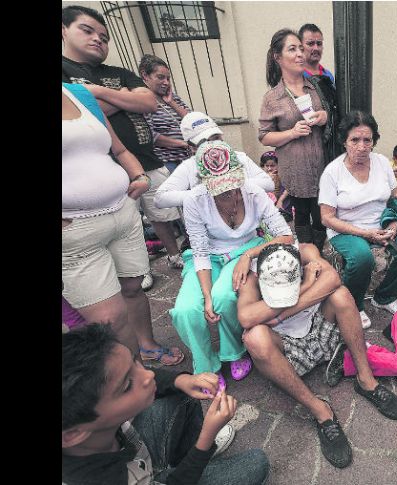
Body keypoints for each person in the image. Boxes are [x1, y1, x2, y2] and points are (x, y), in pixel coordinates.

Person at [237, 243, 397, 469]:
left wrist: (278, 313)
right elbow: (246, 317)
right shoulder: (252, 276)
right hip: (288, 351)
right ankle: (320, 410)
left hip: (320, 331)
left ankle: (366, 380)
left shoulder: (305, 251)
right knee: (254, 337)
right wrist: (307, 285)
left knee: (341, 295)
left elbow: (333, 279)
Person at [63, 80, 183, 366]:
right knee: (108, 318)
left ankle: (146, 348)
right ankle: (131, 376)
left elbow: (119, 150)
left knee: (133, 289)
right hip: (76, 229)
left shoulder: (77, 94)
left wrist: (139, 176)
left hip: (123, 212)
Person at [62, 324, 269, 485]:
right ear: (72, 434)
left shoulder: (83, 425)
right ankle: (197, 454)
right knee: (255, 464)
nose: (148, 375)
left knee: (180, 392)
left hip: (137, 458)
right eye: (127, 385)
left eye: (135, 362)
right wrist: (207, 438)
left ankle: (188, 458)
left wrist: (181, 380)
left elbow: (146, 377)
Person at [62, 6, 187, 273]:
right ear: (64, 30)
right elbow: (80, 113)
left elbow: (148, 102)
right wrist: (124, 98)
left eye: (104, 37)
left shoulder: (119, 72)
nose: (97, 39)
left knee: (162, 215)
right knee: (129, 222)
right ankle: (139, 271)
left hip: (147, 161)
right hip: (109, 168)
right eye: (87, 31)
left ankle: (173, 255)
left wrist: (95, 93)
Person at [171, 141, 294, 391]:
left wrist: (249, 254)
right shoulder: (195, 199)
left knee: (225, 296)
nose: (228, 191)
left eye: (231, 184)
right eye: (219, 187)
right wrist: (205, 296)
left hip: (245, 249)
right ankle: (206, 365)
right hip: (207, 256)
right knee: (186, 309)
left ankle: (234, 351)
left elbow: (285, 235)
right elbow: (200, 251)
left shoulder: (253, 192)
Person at [318, 111, 397, 329]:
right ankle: (353, 305)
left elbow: (396, 198)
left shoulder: (382, 163)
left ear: (374, 141)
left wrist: (394, 223)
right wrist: (365, 234)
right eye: (355, 140)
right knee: (361, 257)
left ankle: (384, 297)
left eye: (367, 140)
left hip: (381, 225)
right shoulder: (332, 172)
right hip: (346, 229)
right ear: (344, 141)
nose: (362, 146)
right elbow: (327, 218)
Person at [260, 28, 329, 252]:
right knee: (301, 215)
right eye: (292, 49)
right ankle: (308, 257)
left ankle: (319, 254)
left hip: (322, 166)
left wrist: (325, 116)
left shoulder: (317, 86)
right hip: (296, 170)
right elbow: (264, 136)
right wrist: (291, 132)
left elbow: (336, 116)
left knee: (322, 216)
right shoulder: (273, 97)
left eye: (301, 48)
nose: (300, 53)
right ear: (278, 57)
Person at [154, 111, 275, 210]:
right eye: (204, 142)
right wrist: (206, 192)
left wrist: (229, 184)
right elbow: (160, 199)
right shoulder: (189, 166)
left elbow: (268, 184)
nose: (213, 145)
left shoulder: (239, 157)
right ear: (192, 147)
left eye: (216, 138)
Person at [139, 54, 191, 174]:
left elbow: (192, 120)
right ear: (145, 75)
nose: (166, 82)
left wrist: (171, 102)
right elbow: (149, 135)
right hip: (166, 162)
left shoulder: (172, 97)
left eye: (168, 79)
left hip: (186, 158)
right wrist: (182, 144)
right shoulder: (143, 101)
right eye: (160, 77)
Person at [260, 150, 292, 220]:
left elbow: (288, 188)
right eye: (267, 166)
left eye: (272, 166)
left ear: (278, 165)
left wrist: (280, 200)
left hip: (283, 205)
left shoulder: (283, 175)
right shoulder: (261, 177)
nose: (269, 168)